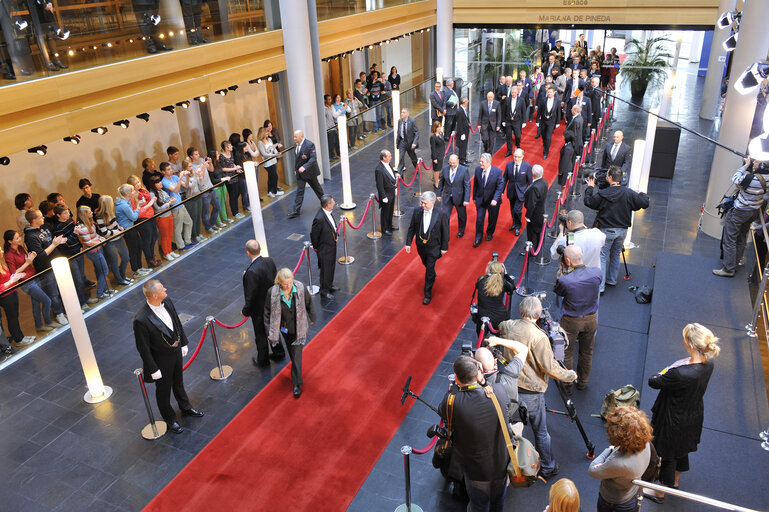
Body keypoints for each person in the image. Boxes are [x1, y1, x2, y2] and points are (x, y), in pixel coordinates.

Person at [500, 297, 577, 481]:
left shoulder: (509, 326)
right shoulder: (539, 337)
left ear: (521, 311)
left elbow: (502, 325)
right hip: (532, 391)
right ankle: (548, 467)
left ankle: (509, 463)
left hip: (510, 386)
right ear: (538, 314)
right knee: (541, 432)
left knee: (509, 425)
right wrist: (570, 375)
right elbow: (550, 367)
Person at [644, 323, 720, 503]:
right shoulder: (709, 364)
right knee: (682, 449)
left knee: (666, 453)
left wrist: (664, 371)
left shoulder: (679, 374)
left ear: (691, 345)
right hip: (692, 414)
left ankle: (660, 491)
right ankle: (676, 481)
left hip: (672, 419)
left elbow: (654, 381)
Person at [439, 354, 510, 512]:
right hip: (501, 463)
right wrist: (484, 383)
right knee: (498, 505)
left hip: (476, 470)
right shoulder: (499, 391)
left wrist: (454, 390)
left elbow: (442, 412)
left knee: (478, 506)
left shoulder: (452, 402)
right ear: (479, 372)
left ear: (456, 377)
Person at [134, 280, 204, 434]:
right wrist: (153, 368)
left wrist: (183, 342)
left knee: (179, 382)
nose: (165, 289)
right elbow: (143, 348)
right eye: (161, 289)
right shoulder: (141, 319)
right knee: (163, 391)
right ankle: (170, 419)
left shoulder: (167, 301)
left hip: (176, 351)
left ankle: (186, 407)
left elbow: (177, 323)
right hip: (160, 361)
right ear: (154, 295)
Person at [584, 166, 650, 293]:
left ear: (609, 177)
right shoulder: (628, 192)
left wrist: (590, 187)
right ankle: (611, 280)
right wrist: (639, 193)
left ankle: (600, 286)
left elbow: (589, 202)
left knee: (602, 256)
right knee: (615, 254)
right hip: (622, 231)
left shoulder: (603, 194)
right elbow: (645, 202)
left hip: (606, 230)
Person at [554, 245, 601, 391]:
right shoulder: (597, 273)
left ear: (567, 260)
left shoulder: (565, 280)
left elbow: (558, 292)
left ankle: (567, 384)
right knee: (587, 352)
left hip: (571, 321)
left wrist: (562, 273)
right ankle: (583, 382)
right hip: (591, 319)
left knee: (567, 352)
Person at [588, 406, 653, 512]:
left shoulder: (620, 464)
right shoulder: (646, 442)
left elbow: (592, 470)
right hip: (632, 491)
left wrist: (608, 450)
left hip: (614, 502)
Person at [264, 268, 316, 398]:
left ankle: (296, 383)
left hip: (300, 328)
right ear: (279, 282)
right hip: (284, 329)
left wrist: (312, 317)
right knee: (292, 352)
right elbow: (267, 312)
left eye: (290, 282)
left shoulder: (300, 287)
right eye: (285, 284)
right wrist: (269, 330)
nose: (288, 286)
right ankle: (296, 371)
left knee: (296, 354)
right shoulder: (272, 292)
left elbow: (309, 303)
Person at [714, 159, 769, 277]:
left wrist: (746, 165)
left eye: (756, 162)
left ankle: (728, 269)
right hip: (752, 212)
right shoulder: (767, 179)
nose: (754, 163)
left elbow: (735, 179)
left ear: (762, 165)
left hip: (739, 212)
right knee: (741, 237)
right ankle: (734, 264)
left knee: (730, 239)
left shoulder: (750, 179)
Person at [4, 230, 58, 333]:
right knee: (47, 300)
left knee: (36, 304)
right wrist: (28, 262)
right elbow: (13, 274)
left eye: (19, 237)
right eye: (16, 238)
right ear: (10, 241)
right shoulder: (9, 255)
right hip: (27, 283)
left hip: (34, 276)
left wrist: (30, 258)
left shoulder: (20, 248)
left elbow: (27, 261)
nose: (20, 239)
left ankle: (39, 326)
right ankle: (48, 322)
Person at [23, 209, 68, 326]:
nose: (43, 217)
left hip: (58, 262)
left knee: (64, 288)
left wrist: (57, 242)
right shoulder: (30, 236)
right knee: (53, 293)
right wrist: (54, 244)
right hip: (47, 268)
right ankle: (58, 313)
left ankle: (66, 309)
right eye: (40, 216)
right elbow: (41, 256)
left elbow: (51, 242)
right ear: (34, 220)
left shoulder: (45, 227)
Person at [242, 239, 282, 367]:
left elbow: (251, 295)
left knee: (260, 334)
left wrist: (245, 311)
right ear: (259, 249)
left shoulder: (251, 272)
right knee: (274, 329)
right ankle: (279, 353)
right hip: (273, 303)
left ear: (248, 252)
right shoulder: (269, 261)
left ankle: (263, 360)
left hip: (259, 309)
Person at [404, 191, 448, 305]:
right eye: (422, 203)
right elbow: (412, 228)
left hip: (434, 247)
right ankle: (432, 274)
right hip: (421, 246)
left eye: (425, 203)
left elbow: (445, 232)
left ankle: (427, 294)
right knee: (426, 264)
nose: (422, 205)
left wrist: (444, 247)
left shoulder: (441, 214)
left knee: (429, 268)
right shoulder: (417, 211)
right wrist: (408, 243)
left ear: (432, 203)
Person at [482, 337, 528, 426]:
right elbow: (523, 349)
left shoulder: (474, 384)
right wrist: (497, 341)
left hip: (490, 426)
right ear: (495, 361)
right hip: (512, 422)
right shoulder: (509, 374)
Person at [74, 206, 114, 300]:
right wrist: (101, 241)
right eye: (89, 212)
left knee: (100, 271)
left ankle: (105, 290)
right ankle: (100, 293)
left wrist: (101, 239)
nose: (92, 212)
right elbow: (88, 243)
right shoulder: (83, 227)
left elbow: (95, 236)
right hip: (93, 252)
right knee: (104, 270)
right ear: (84, 215)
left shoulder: (90, 223)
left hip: (98, 248)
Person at [115, 183, 153, 278]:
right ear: (128, 193)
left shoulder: (127, 202)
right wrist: (139, 207)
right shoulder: (124, 205)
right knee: (133, 250)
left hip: (131, 227)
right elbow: (134, 217)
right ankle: (135, 271)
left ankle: (139, 268)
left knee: (139, 246)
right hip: (128, 230)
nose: (134, 192)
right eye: (132, 191)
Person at [94, 195, 132, 285]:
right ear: (106, 204)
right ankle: (120, 279)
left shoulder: (110, 212)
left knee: (126, 258)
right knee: (114, 262)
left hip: (118, 239)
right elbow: (105, 233)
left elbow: (115, 223)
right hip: (110, 242)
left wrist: (119, 227)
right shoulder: (99, 217)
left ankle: (122, 276)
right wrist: (117, 232)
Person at [288, 130, 325, 219]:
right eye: (294, 137)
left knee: (317, 188)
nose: (294, 139)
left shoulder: (309, 145)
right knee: (300, 191)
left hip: (310, 172)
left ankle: (325, 203)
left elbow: (313, 158)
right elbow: (297, 160)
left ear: (301, 136)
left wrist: (304, 167)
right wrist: (296, 169)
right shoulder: (296, 146)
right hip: (300, 174)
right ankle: (296, 210)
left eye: (295, 137)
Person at [160, 162, 195, 252]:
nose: (171, 170)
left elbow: (186, 186)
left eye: (171, 168)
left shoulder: (174, 177)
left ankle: (187, 241)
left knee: (189, 222)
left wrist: (187, 176)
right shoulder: (164, 181)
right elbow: (175, 190)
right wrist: (180, 178)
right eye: (168, 169)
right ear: (163, 172)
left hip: (181, 203)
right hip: (175, 206)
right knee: (178, 227)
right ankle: (181, 246)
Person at [473, 259, 514, 335]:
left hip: (483, 318)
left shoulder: (481, 280)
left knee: (481, 339)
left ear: (488, 269)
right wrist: (506, 274)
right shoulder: (502, 282)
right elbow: (512, 287)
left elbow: (479, 286)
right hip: (499, 317)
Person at [127, 175, 161, 268]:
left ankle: (152, 256)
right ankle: (150, 259)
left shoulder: (143, 191)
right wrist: (147, 204)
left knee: (154, 236)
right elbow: (136, 211)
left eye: (138, 182)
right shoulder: (132, 196)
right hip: (142, 219)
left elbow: (148, 202)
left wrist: (147, 204)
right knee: (147, 240)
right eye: (135, 183)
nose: (138, 184)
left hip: (150, 215)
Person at [186, 147, 220, 234]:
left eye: (198, 153)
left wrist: (210, 162)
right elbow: (200, 178)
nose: (198, 155)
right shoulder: (192, 167)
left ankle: (212, 224)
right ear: (191, 156)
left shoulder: (201, 160)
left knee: (217, 207)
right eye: (196, 154)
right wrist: (203, 167)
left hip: (211, 187)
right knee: (206, 212)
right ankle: (208, 227)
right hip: (204, 191)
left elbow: (211, 170)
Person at [473, 153, 504, 248]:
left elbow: (500, 187)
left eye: (482, 161)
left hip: (492, 201)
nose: (480, 163)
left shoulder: (497, 172)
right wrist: (474, 197)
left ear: (489, 162)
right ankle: (478, 237)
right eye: (480, 161)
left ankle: (489, 233)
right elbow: (476, 185)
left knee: (492, 218)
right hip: (480, 200)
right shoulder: (478, 170)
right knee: (479, 219)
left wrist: (495, 199)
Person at [310, 195, 338, 300]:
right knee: (325, 269)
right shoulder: (319, 218)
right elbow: (314, 235)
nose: (334, 203)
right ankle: (324, 290)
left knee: (331, 267)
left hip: (331, 245)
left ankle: (329, 285)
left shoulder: (327, 213)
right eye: (332, 201)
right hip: (325, 249)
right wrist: (318, 248)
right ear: (327, 205)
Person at [437, 154, 471, 238]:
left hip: (459, 197)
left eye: (454, 163)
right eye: (450, 163)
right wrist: (438, 194)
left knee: (461, 215)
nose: (452, 165)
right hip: (447, 196)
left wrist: (466, 199)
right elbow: (441, 182)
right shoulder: (445, 169)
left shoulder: (464, 170)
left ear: (458, 161)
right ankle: (445, 234)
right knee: (445, 216)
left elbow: (467, 185)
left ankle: (461, 230)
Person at [503, 148, 532, 236]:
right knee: (512, 209)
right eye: (515, 157)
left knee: (517, 210)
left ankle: (517, 226)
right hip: (511, 191)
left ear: (522, 157)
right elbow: (505, 179)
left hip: (521, 192)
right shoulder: (508, 165)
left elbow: (530, 181)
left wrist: (529, 193)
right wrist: (501, 191)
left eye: (518, 157)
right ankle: (514, 222)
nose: (516, 159)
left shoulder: (527, 166)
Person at [149, 175, 178, 261]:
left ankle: (170, 250)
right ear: (153, 184)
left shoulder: (162, 191)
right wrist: (169, 203)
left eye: (160, 181)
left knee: (169, 234)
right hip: (161, 217)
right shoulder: (152, 194)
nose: (160, 183)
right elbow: (158, 208)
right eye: (157, 182)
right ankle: (166, 253)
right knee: (164, 236)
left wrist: (171, 200)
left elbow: (167, 199)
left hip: (168, 214)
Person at [219, 139, 246, 220]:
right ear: (226, 147)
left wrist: (236, 169)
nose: (231, 147)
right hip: (229, 178)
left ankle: (236, 211)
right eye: (230, 146)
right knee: (232, 195)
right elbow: (223, 169)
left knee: (237, 193)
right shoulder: (222, 156)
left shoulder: (231, 153)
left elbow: (232, 163)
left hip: (234, 175)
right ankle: (235, 212)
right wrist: (234, 168)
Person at [523, 164, 548, 252]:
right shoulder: (544, 181)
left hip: (534, 214)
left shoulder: (534, 187)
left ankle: (531, 250)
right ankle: (537, 246)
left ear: (533, 173)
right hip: (540, 211)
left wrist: (528, 216)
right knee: (537, 232)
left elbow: (532, 203)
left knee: (532, 232)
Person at [375, 149, 398, 236]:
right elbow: (379, 185)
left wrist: (394, 187)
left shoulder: (388, 165)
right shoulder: (379, 169)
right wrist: (383, 196)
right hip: (386, 193)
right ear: (384, 158)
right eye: (389, 156)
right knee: (385, 212)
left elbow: (392, 177)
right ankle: (384, 228)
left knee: (391, 209)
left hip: (391, 191)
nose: (391, 157)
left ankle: (389, 225)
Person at [255, 128, 283, 198]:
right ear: (262, 133)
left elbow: (273, 148)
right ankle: (275, 191)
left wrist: (277, 153)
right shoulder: (260, 142)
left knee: (271, 176)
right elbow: (264, 154)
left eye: (267, 132)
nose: (267, 133)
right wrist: (274, 155)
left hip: (273, 160)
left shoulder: (269, 139)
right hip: (267, 162)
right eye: (266, 132)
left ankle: (269, 191)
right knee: (274, 176)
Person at [537, 85, 561, 159]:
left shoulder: (557, 101)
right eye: (548, 92)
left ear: (554, 93)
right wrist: (537, 120)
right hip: (543, 121)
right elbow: (539, 111)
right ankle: (545, 144)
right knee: (543, 135)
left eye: (550, 92)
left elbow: (558, 112)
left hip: (551, 122)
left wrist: (557, 122)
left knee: (548, 137)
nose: (549, 93)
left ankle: (545, 152)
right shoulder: (543, 100)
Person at [502, 85, 527, 156]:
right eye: (512, 92)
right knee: (509, 137)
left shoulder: (521, 100)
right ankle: (509, 151)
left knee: (518, 136)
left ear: (517, 93)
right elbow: (504, 111)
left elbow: (524, 111)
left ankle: (518, 147)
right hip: (508, 121)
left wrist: (524, 121)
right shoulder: (507, 100)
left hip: (517, 121)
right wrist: (503, 121)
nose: (513, 94)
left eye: (515, 92)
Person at [396, 108, 419, 178]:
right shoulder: (399, 121)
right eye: (401, 112)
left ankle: (417, 167)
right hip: (402, 142)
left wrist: (414, 142)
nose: (402, 114)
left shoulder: (412, 121)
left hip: (410, 143)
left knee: (413, 157)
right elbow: (398, 132)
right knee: (401, 157)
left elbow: (416, 132)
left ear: (407, 114)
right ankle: (400, 173)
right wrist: (397, 142)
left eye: (404, 112)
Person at [429, 121, 446, 189]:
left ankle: (437, 180)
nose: (439, 128)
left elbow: (443, 145)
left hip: (441, 155)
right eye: (438, 127)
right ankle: (436, 183)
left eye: (440, 127)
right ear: (435, 128)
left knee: (438, 169)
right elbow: (433, 148)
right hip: (436, 156)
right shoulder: (433, 137)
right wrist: (435, 158)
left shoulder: (441, 134)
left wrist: (443, 153)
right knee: (436, 170)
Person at [455, 96, 471, 165]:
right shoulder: (459, 111)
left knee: (465, 146)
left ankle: (464, 158)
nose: (468, 102)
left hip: (466, 131)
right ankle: (461, 160)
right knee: (462, 147)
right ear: (464, 102)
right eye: (467, 100)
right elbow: (459, 123)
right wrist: (462, 133)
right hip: (462, 132)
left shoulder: (463, 109)